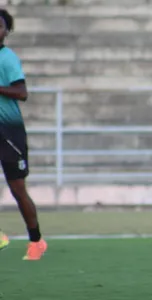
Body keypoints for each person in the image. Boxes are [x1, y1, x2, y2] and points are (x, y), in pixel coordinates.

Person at [0, 8, 47, 260]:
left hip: (9, 132)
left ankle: (36, 239)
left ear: (7, 31)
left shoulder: (7, 58)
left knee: (18, 188)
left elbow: (22, 92)